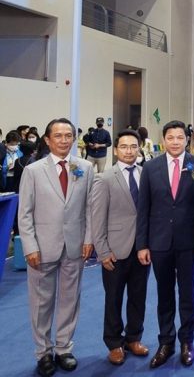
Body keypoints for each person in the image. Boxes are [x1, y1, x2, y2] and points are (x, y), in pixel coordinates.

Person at [17, 118, 94, 377]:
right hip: (42, 247)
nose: (64, 140)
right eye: (58, 136)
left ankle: (63, 348)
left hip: (75, 245)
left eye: (68, 135)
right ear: (47, 140)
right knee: (41, 303)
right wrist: (30, 246)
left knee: (70, 300)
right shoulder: (33, 170)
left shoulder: (85, 167)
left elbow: (89, 208)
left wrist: (88, 239)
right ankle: (43, 352)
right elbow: (24, 213)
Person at [136, 121, 194, 369]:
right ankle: (166, 342)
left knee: (187, 294)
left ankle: (187, 341)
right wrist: (142, 244)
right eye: (170, 137)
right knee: (164, 294)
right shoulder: (150, 167)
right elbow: (143, 208)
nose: (175, 141)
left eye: (180, 137)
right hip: (159, 241)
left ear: (187, 140)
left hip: (188, 241)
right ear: (163, 140)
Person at [91, 129, 151, 365]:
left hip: (142, 249)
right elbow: (97, 218)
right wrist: (102, 251)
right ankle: (114, 343)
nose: (129, 151)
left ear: (139, 149)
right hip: (115, 250)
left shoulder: (146, 174)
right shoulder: (104, 178)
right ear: (116, 150)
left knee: (138, 296)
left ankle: (134, 338)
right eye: (124, 147)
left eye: (133, 146)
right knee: (113, 298)